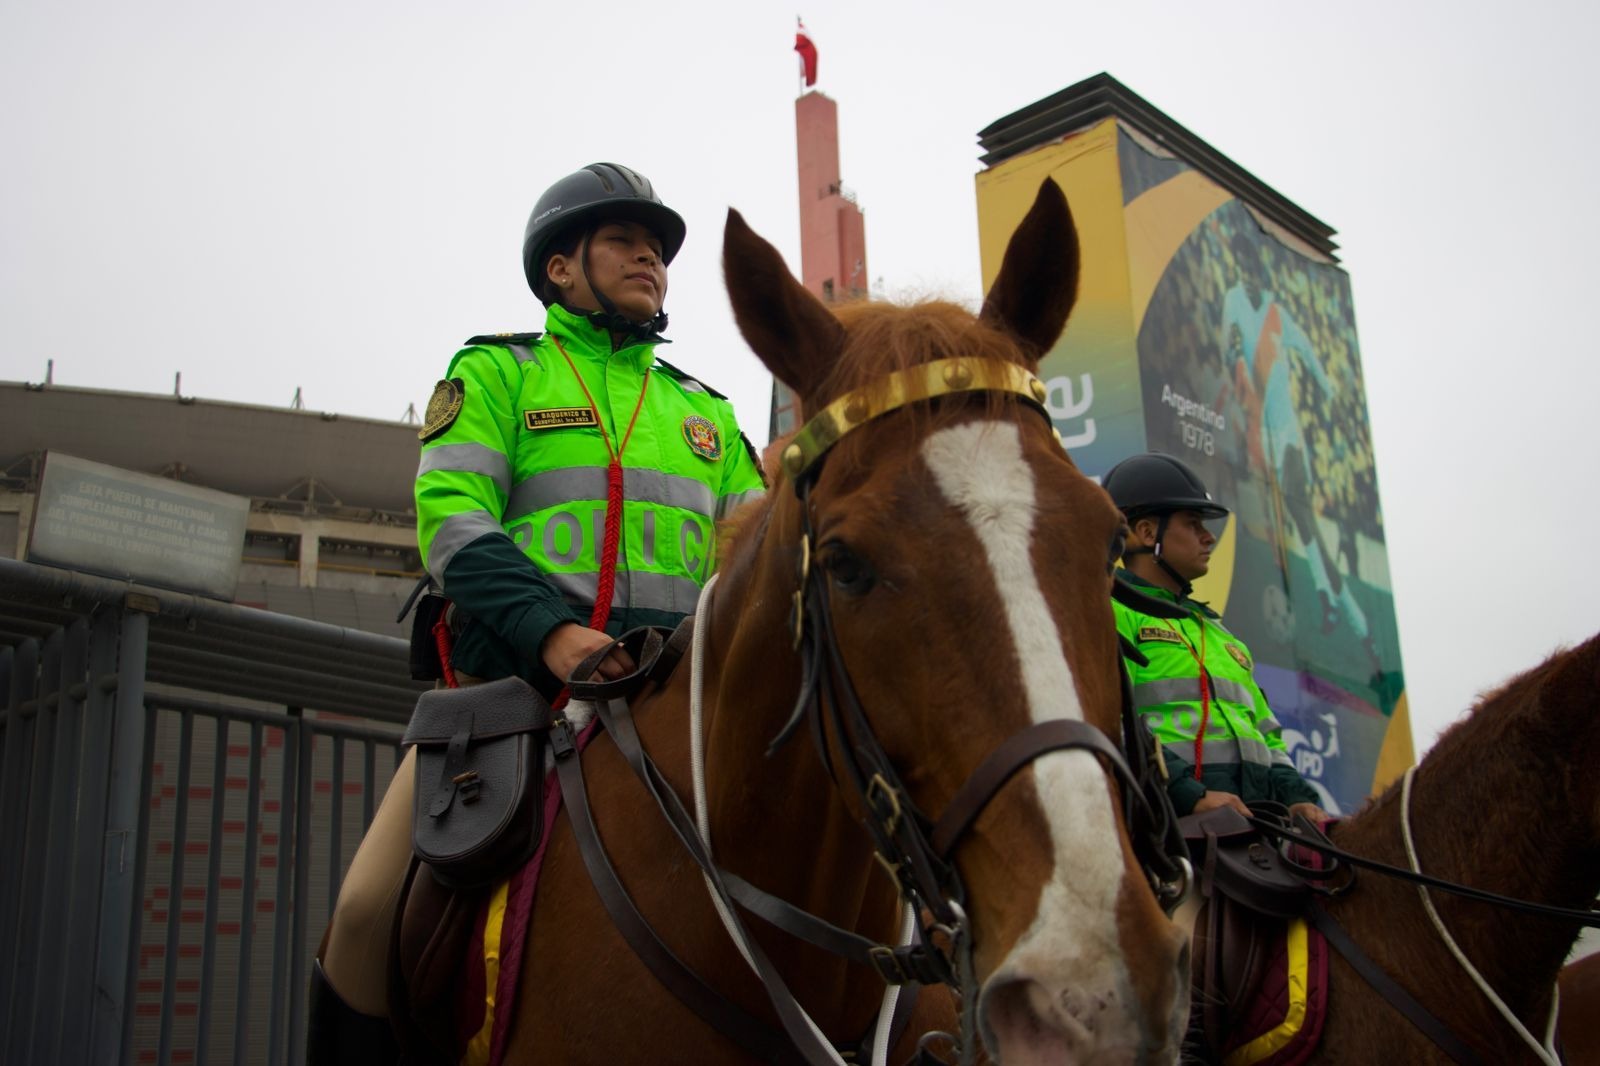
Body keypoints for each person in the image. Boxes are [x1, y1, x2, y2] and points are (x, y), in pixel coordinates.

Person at [308, 162, 766, 1062]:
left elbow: (753, 558)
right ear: (560, 267)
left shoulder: (706, 414)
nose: (650, 259)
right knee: (364, 917)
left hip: (676, 714)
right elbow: (453, 522)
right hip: (508, 702)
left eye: (659, 248)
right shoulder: (497, 373)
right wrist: (554, 636)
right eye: (623, 241)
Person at [1103, 451, 1328, 823]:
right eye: (1193, 524)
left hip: (1256, 821)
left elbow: (1267, 737)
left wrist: (1297, 799)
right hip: (1168, 826)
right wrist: (1191, 796)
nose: (1209, 537)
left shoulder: (1221, 635)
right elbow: (1113, 721)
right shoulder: (1111, 611)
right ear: (1146, 533)